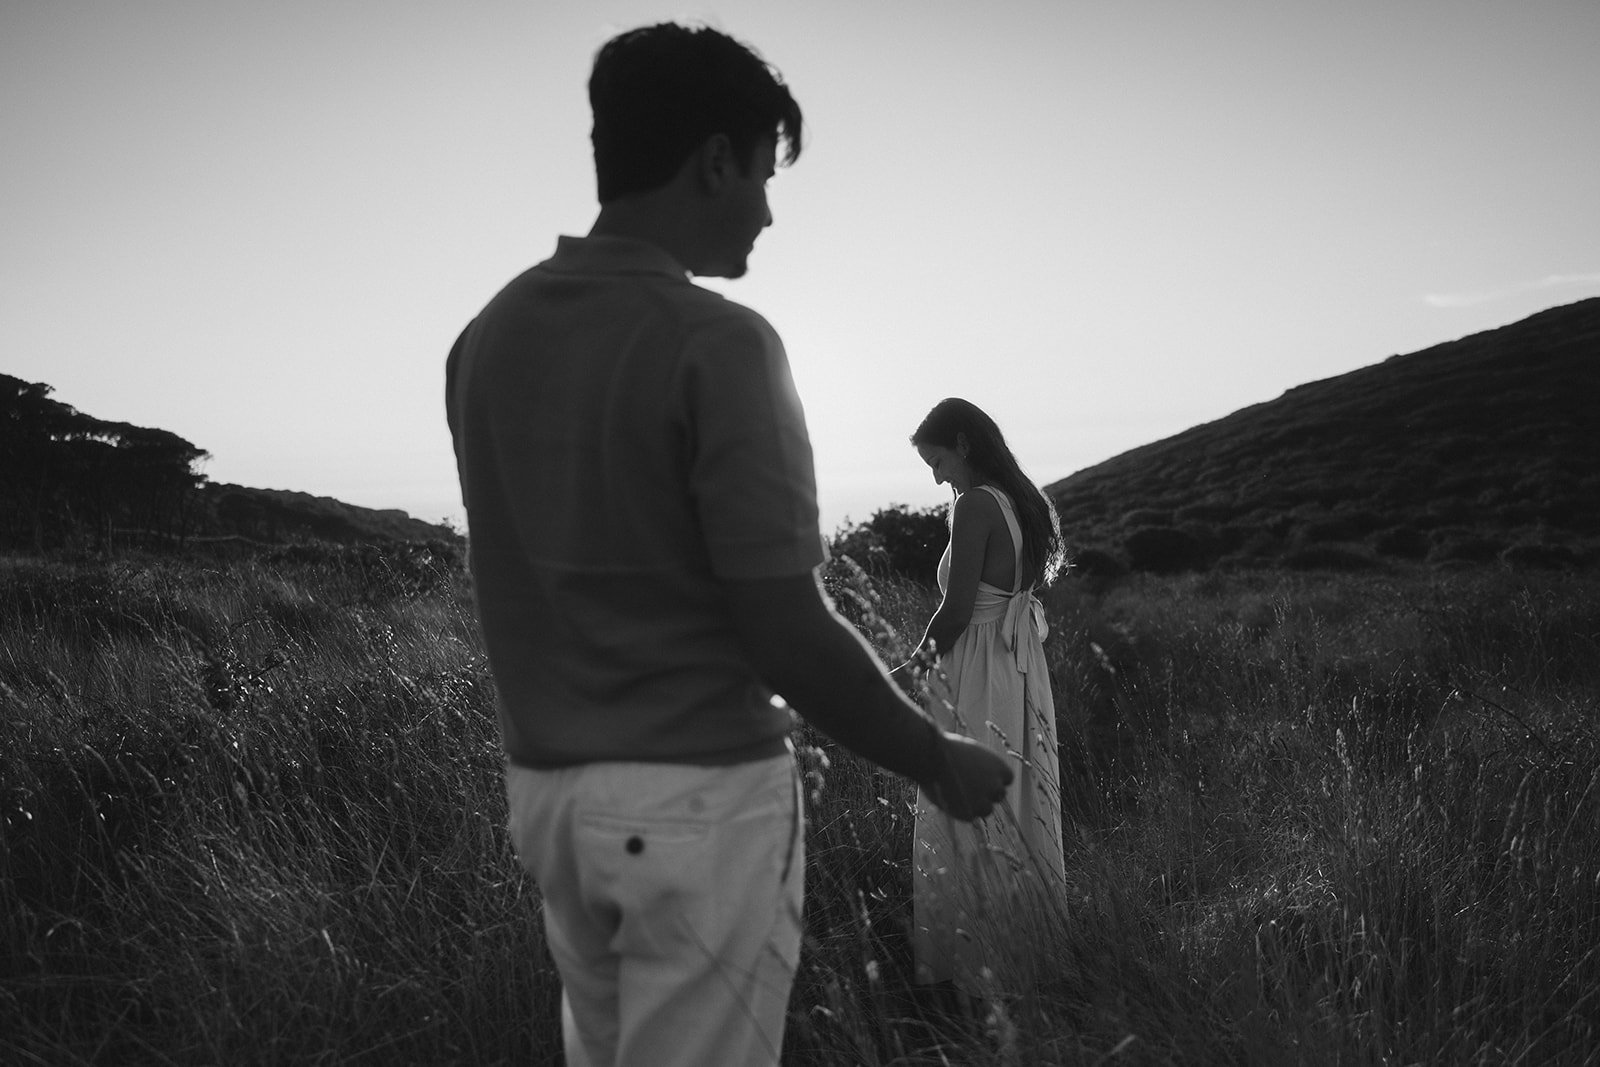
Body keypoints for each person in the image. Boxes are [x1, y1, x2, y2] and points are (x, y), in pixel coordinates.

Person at [444, 23, 1013, 1067]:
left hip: (547, 799)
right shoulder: (721, 343)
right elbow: (782, 626)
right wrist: (936, 760)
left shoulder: (484, 337)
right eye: (762, 173)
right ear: (715, 158)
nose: (764, 207)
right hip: (696, 804)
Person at [896, 397, 1069, 997]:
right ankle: (1026, 958)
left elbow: (956, 611)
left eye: (938, 460)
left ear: (964, 445)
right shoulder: (1019, 500)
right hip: (1017, 669)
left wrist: (907, 672)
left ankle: (976, 971)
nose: (936, 476)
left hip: (976, 666)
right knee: (1017, 804)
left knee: (969, 807)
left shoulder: (975, 506)